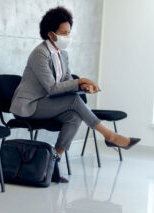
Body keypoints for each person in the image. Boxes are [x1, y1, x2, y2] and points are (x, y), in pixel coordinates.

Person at [9, 6, 140, 183]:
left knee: (74, 116)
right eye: (63, 33)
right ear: (51, 34)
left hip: (46, 103)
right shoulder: (39, 54)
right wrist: (81, 80)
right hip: (28, 106)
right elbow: (53, 88)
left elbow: (67, 81)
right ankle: (109, 136)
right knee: (73, 100)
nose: (67, 37)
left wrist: (85, 86)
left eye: (69, 33)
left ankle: (52, 164)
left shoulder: (62, 54)